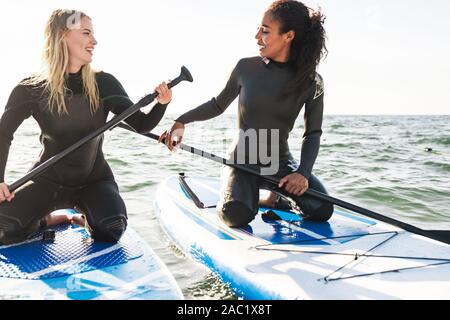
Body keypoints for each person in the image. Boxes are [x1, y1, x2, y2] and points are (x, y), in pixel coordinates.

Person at [0, 9, 172, 244]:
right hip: (46, 180)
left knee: (111, 228)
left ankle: (87, 218)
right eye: (86, 32)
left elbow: (141, 125)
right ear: (63, 35)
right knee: (4, 227)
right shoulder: (31, 88)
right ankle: (48, 219)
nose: (95, 40)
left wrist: (162, 104)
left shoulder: (104, 83)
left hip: (93, 179)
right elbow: (3, 133)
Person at [160, 0, 333, 227]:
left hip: (280, 165)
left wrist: (302, 173)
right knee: (235, 215)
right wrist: (181, 121)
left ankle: (276, 198)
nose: (257, 37)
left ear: (288, 36)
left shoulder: (312, 81)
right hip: (242, 162)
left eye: (265, 31)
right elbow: (217, 105)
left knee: (322, 209)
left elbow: (313, 133)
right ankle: (250, 196)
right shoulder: (246, 68)